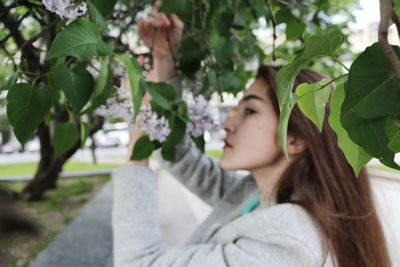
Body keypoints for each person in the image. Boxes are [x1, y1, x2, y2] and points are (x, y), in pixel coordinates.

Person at [111, 2, 392, 266]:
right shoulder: (257, 194)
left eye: (250, 112)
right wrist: (165, 63)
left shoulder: (287, 239)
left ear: (295, 139)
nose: (228, 125)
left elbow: (138, 262)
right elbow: (179, 157)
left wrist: (141, 128)